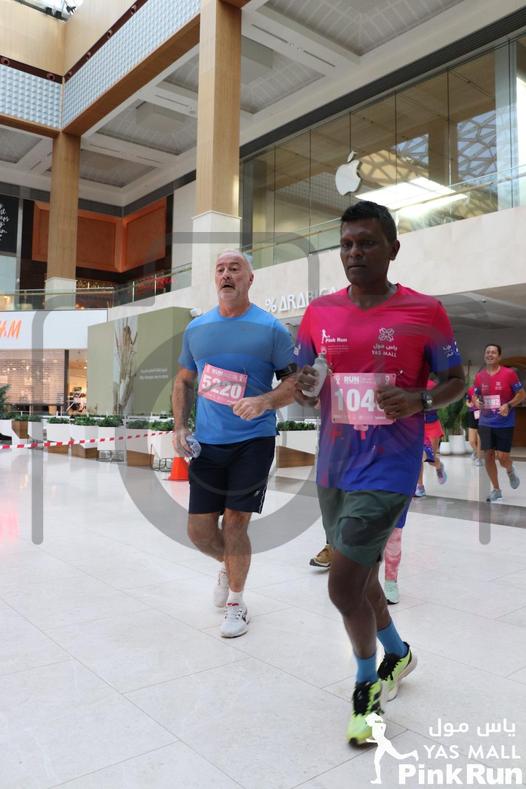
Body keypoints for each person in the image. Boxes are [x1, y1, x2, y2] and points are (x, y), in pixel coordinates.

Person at [294, 201, 465, 745]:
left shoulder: (426, 312)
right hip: (334, 466)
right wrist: (303, 389)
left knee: (343, 586)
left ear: (393, 247)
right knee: (364, 576)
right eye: (346, 244)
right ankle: (398, 653)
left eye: (366, 242)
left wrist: (420, 399)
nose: (354, 253)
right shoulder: (319, 312)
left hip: (390, 466)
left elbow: (456, 379)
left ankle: (366, 687)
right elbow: (305, 379)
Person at [172, 250, 296, 638]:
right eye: (221, 269)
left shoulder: (271, 329)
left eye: (235, 269)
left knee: (236, 523)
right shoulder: (197, 329)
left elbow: (294, 383)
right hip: (208, 444)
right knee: (199, 531)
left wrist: (265, 402)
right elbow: (184, 380)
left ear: (249, 279)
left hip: (253, 440)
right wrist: (179, 427)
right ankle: (229, 564)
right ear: (215, 278)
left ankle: (237, 604)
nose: (226, 274)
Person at [473, 344, 525, 502]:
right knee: (488, 456)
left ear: (499, 356)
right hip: (485, 422)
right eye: (487, 352)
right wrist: (477, 402)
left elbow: (521, 394)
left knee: (502, 457)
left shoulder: (509, 374)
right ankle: (496, 490)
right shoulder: (479, 376)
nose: (490, 354)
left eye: (493, 352)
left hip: (504, 422)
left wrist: (508, 405)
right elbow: (474, 395)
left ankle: (509, 469)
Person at [414, 379, 447, 497]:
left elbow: (441, 403)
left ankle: (439, 466)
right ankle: (420, 487)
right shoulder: (412, 384)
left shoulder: (433, 386)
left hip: (432, 426)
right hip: (418, 427)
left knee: (430, 459)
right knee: (418, 457)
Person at [466, 384, 483, 466]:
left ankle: (479, 459)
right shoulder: (470, 389)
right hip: (472, 414)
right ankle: (476, 452)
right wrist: (469, 404)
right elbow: (467, 401)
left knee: (479, 439)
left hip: (483, 414)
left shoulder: (486, 388)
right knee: (471, 440)